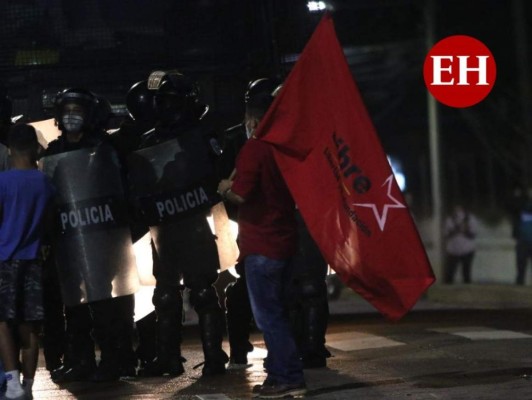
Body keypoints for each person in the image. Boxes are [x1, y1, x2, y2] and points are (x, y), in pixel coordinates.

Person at [222, 78, 330, 371]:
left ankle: (308, 352)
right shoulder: (243, 141)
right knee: (262, 294)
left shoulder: (307, 137)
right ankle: (256, 352)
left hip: (295, 220)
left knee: (303, 288)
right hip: (261, 226)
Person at [128, 71, 228, 377]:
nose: (164, 107)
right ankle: (168, 358)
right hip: (165, 227)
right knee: (165, 295)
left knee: (202, 291)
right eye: (160, 101)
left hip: (194, 223)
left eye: (170, 101)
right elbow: (141, 183)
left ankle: (213, 357)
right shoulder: (149, 140)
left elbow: (218, 173)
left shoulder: (200, 134)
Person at [42, 88, 138, 383]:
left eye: (78, 110)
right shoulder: (54, 151)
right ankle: (80, 359)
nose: (71, 116)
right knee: (74, 302)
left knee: (103, 301)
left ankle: (112, 360)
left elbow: (116, 186)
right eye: (67, 110)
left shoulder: (102, 147)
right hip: (68, 237)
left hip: (100, 236)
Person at [217, 87, 306, 398]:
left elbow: (241, 193)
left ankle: (287, 376)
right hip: (284, 241)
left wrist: (225, 188)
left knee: (269, 316)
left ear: (253, 120)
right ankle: (278, 372)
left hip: (262, 245)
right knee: (278, 311)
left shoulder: (254, 149)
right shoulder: (285, 149)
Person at [0, 123, 54, 400]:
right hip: (33, 260)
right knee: (30, 325)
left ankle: (12, 384)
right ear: (34, 148)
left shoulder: (3, 182)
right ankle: (29, 387)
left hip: (4, 260)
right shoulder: (43, 182)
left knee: (3, 323)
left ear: (10, 150)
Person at [443, 204, 479, 284]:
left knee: (466, 273)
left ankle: (467, 291)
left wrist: (464, 230)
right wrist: (456, 230)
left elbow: (473, 235)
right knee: (449, 274)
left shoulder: (471, 219)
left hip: (467, 250)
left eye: (460, 209)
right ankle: (448, 290)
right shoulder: (449, 219)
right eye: (456, 209)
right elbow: (446, 234)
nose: (458, 211)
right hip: (453, 250)